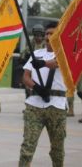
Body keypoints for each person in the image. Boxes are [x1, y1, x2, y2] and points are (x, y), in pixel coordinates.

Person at [18, 22, 67, 166]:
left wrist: (42, 64)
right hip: (34, 105)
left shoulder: (65, 54)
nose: (48, 36)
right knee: (27, 146)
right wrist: (36, 87)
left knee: (57, 150)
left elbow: (56, 63)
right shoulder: (36, 54)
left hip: (57, 106)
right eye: (47, 33)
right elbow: (25, 76)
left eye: (52, 33)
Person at [21, 24, 46, 99]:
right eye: (36, 35)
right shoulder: (31, 43)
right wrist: (24, 56)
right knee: (28, 89)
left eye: (39, 35)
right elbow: (23, 53)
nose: (38, 37)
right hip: (31, 69)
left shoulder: (46, 44)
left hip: (43, 69)